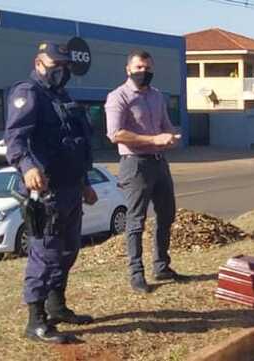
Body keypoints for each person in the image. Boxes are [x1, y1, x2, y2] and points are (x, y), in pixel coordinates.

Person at [5, 41, 97, 344]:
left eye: (65, 66)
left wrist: (84, 182)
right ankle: (36, 321)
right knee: (44, 254)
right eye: (56, 65)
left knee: (68, 250)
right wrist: (27, 166)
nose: (62, 71)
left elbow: (74, 142)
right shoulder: (28, 93)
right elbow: (16, 139)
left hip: (70, 187)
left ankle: (57, 307)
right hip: (46, 191)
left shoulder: (61, 96)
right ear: (39, 63)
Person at [105, 49, 182, 293]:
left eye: (148, 68)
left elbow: (166, 126)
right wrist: (153, 139)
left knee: (166, 214)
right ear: (128, 69)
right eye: (139, 67)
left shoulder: (158, 96)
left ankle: (161, 266)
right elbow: (115, 134)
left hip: (159, 162)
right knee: (136, 221)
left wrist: (170, 137)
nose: (144, 72)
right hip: (135, 163)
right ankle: (136, 274)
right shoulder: (118, 97)